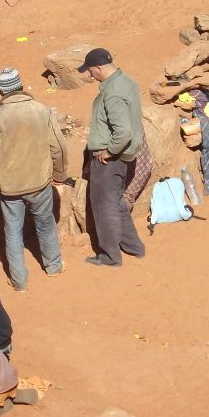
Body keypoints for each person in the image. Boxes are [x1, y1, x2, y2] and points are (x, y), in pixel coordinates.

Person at [0, 67, 69, 291]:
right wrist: (59, 175)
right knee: (46, 224)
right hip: (39, 182)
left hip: (10, 187)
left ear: (1, 90)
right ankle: (54, 267)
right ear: (21, 85)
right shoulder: (41, 110)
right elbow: (58, 146)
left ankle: (19, 281)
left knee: (13, 231)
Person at [78, 48, 145, 267]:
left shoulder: (113, 91)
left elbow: (123, 131)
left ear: (98, 68)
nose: (90, 75)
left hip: (109, 160)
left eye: (90, 71)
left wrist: (109, 151)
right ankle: (134, 246)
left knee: (104, 207)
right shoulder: (126, 81)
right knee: (116, 203)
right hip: (125, 156)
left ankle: (110, 256)